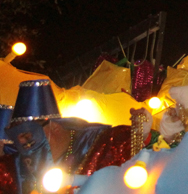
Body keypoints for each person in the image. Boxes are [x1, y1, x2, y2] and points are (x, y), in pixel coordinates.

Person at [5, 80, 150, 194]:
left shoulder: (103, 143)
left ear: (54, 127)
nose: (24, 145)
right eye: (18, 140)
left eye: (27, 136)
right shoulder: (20, 168)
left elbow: (137, 164)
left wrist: (140, 132)